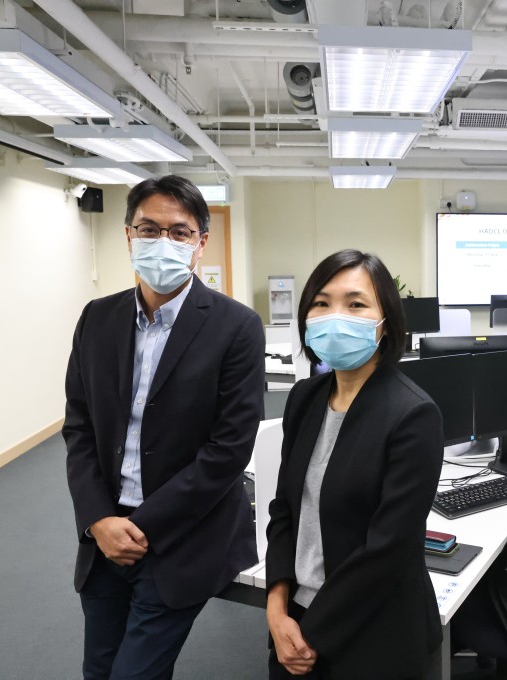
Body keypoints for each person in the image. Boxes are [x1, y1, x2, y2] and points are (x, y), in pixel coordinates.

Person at [63, 175, 265, 680]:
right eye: (149, 229)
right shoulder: (97, 318)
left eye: (179, 232)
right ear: (128, 235)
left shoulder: (236, 326)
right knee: (100, 669)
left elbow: (229, 449)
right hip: (106, 532)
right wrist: (98, 520)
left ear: (200, 243)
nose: (163, 242)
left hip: (183, 533)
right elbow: (80, 429)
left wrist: (142, 526)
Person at [265, 249, 444, 679]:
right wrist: (276, 610)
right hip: (292, 620)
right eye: (321, 303)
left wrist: (310, 633)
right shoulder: (304, 398)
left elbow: (388, 550)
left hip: (372, 630)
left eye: (356, 303)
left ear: (385, 322)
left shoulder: (412, 414)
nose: (334, 316)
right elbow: (285, 510)